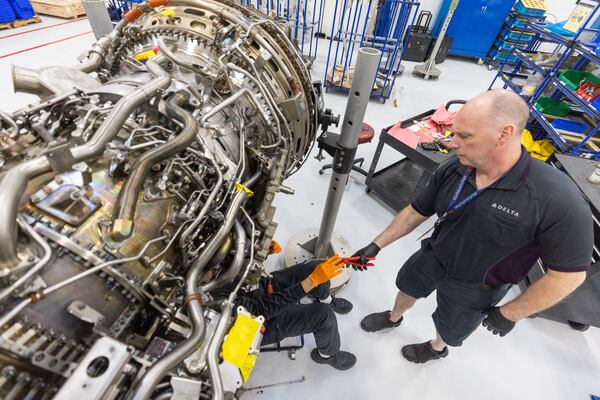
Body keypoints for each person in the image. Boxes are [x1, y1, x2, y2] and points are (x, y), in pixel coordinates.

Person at [351, 89, 593, 364]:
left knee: (450, 326)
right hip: (433, 256)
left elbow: (569, 276)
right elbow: (416, 211)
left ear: (504, 134)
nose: (452, 143)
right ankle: (393, 317)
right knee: (407, 287)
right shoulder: (455, 167)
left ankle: (436, 347)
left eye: (465, 136)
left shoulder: (556, 199)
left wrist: (511, 313)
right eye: (455, 133)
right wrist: (377, 244)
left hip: (477, 287)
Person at [212, 256, 357, 370]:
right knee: (324, 316)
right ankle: (327, 355)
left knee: (316, 267)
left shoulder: (212, 267)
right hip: (257, 321)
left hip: (254, 288)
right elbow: (262, 309)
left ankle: (326, 299)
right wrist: (310, 282)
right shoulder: (213, 299)